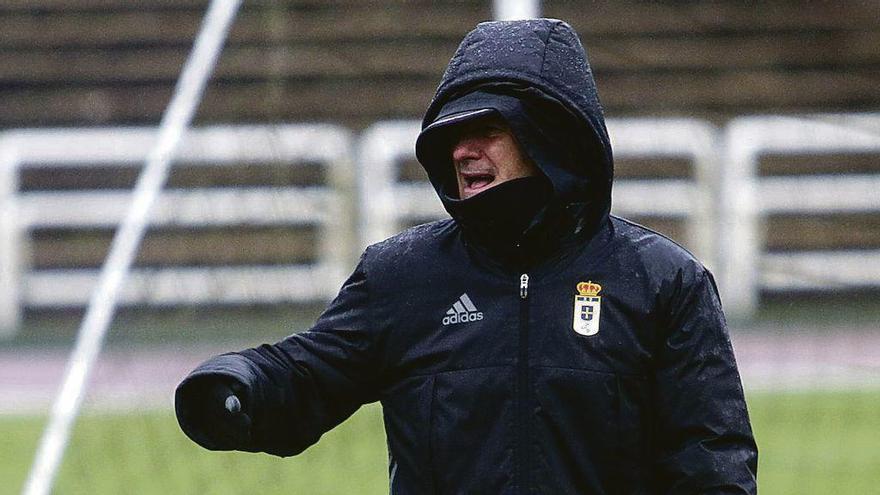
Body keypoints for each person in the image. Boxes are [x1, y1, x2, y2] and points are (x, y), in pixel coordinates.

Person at [175, 18, 758, 493]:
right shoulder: (400, 277)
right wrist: (239, 383)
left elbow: (712, 463)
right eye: (453, 134)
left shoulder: (663, 282)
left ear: (552, 136)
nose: (463, 150)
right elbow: (306, 376)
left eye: (487, 128)